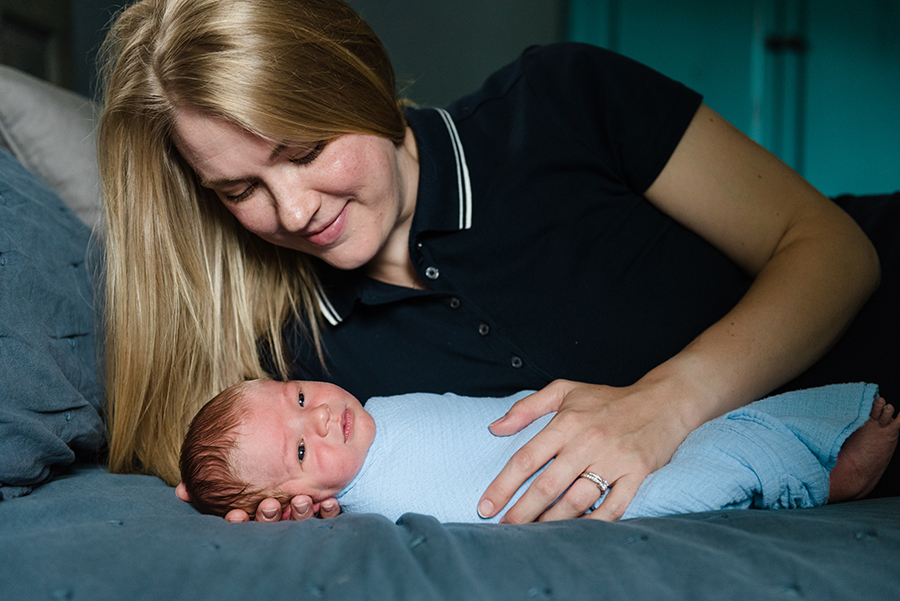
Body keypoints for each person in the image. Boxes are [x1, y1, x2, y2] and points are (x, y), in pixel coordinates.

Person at [99, 0, 884, 525]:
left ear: (360, 78)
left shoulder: (560, 102)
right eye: (242, 189)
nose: (295, 210)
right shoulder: (313, 366)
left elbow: (835, 250)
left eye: (305, 150)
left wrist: (667, 402)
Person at [176, 379, 899, 523]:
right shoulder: (355, 505)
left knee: (721, 419)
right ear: (299, 499)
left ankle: (819, 427)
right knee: (712, 470)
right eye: (302, 450)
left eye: (300, 394)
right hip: (586, 492)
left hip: (592, 428)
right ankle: (829, 482)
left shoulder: (378, 408)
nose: (322, 417)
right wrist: (229, 500)